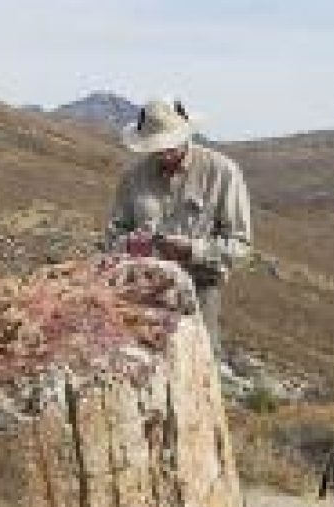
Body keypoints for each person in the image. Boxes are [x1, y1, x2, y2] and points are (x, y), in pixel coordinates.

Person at [105, 97, 252, 358]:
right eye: (155, 147)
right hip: (142, 291)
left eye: (169, 144)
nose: (163, 153)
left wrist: (192, 250)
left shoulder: (222, 173)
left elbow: (240, 246)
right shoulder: (133, 178)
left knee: (200, 361)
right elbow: (112, 237)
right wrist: (129, 245)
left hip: (199, 290)